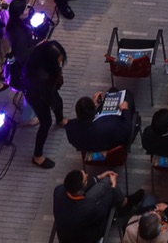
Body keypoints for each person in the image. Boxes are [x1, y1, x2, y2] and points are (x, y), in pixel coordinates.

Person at [21, 31, 68, 168]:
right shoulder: (42, 76)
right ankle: (37, 156)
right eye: (58, 60)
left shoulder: (41, 54)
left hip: (43, 89)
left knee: (58, 102)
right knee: (46, 122)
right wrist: (52, 104)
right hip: (36, 95)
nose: (61, 62)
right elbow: (47, 95)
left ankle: (60, 120)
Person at [53, 169, 120, 243]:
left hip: (67, 229)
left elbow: (81, 185)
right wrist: (113, 186)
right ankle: (124, 204)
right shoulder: (87, 208)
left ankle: (124, 200)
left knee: (107, 182)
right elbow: (103, 207)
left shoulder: (58, 190)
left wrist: (99, 177)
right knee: (109, 206)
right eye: (85, 179)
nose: (87, 175)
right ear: (80, 191)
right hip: (84, 238)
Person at [67, 93, 138, 156]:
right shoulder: (111, 125)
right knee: (128, 95)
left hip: (89, 156)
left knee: (112, 91)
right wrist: (125, 110)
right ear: (93, 111)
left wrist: (93, 105)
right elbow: (128, 130)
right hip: (110, 155)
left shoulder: (70, 128)